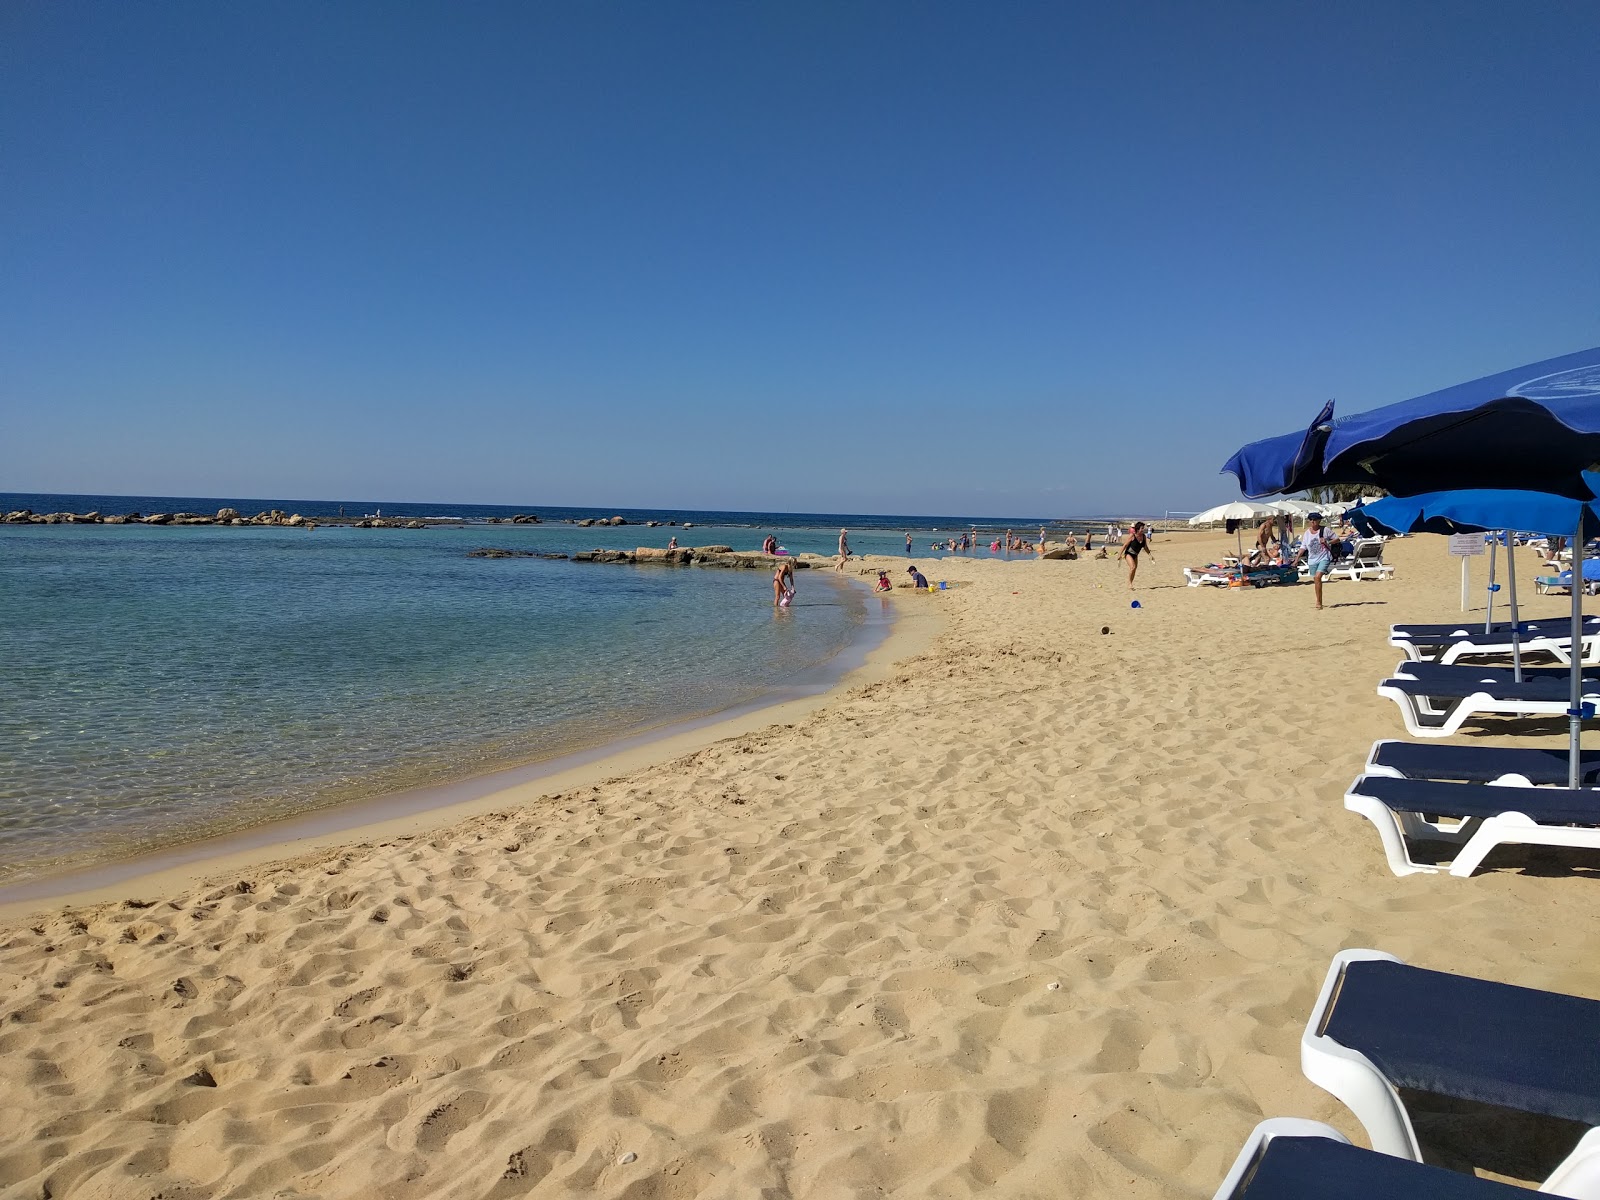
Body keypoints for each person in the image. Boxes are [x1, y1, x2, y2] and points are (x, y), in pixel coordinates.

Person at [1298, 512, 1333, 609]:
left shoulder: (1325, 530)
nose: (1312, 522)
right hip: (1312, 560)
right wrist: (1296, 559)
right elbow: (1303, 547)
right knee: (1316, 581)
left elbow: (1337, 539)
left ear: (1319, 521)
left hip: (1324, 557)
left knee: (1318, 577)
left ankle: (1318, 602)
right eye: (1311, 520)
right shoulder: (1307, 533)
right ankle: (1319, 599)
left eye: (1314, 520)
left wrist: (1327, 541)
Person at [1119, 520, 1154, 589]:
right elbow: (1125, 545)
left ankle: (1131, 583)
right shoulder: (1132, 536)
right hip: (1128, 554)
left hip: (1135, 555)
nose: (1143, 529)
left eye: (1143, 528)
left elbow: (1145, 547)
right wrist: (1119, 554)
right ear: (1138, 529)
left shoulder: (1143, 537)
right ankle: (1129, 583)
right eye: (1142, 528)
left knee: (1134, 569)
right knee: (1133, 567)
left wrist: (1150, 555)